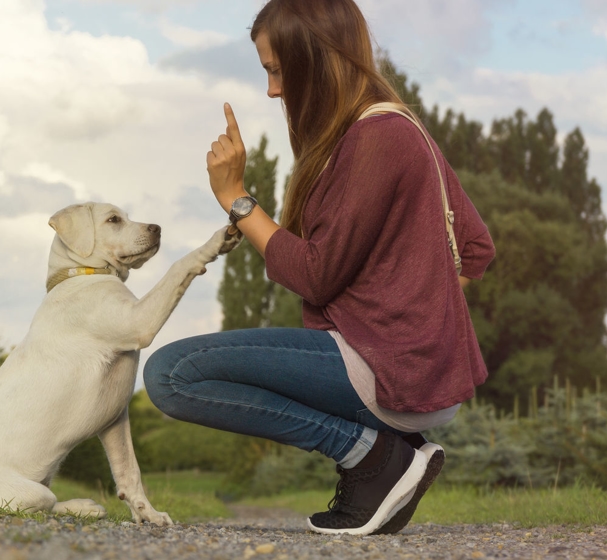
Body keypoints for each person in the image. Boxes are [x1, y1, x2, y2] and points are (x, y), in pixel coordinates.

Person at [143, 0, 495, 536]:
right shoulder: (398, 127)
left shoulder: (378, 138)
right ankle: (388, 453)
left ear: (315, 59)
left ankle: (371, 456)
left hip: (384, 372)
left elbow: (313, 275)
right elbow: (476, 249)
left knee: (169, 376)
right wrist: (418, 319)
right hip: (409, 375)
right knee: (177, 373)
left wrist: (236, 199)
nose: (273, 91)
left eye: (276, 70)